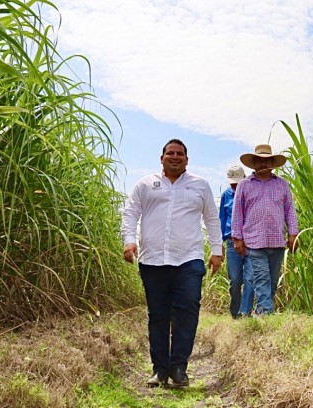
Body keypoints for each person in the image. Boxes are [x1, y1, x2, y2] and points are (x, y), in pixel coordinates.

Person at [121, 138, 223, 388]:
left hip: (189, 259)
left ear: (187, 159)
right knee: (158, 314)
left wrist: (217, 251)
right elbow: (131, 212)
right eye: (170, 153)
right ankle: (159, 370)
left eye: (180, 154)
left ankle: (179, 368)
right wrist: (129, 240)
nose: (175, 157)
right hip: (153, 259)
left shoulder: (200, 186)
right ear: (162, 158)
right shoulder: (146, 184)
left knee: (187, 311)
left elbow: (211, 217)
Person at [231, 144, 299, 315]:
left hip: (277, 241)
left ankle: (261, 311)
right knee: (261, 278)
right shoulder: (244, 185)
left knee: (273, 281)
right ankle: (266, 314)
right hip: (254, 241)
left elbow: (290, 210)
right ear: (253, 164)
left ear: (272, 163)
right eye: (259, 161)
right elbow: (237, 212)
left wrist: (293, 234)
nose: (263, 165)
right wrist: (237, 238)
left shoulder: (282, 185)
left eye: (266, 161)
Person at [219, 165, 252, 319]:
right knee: (235, 280)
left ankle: (244, 313)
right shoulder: (226, 195)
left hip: (251, 242)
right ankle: (235, 314)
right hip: (232, 243)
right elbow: (222, 218)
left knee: (250, 279)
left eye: (237, 182)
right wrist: (220, 242)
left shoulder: (250, 192)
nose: (235, 186)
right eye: (232, 183)